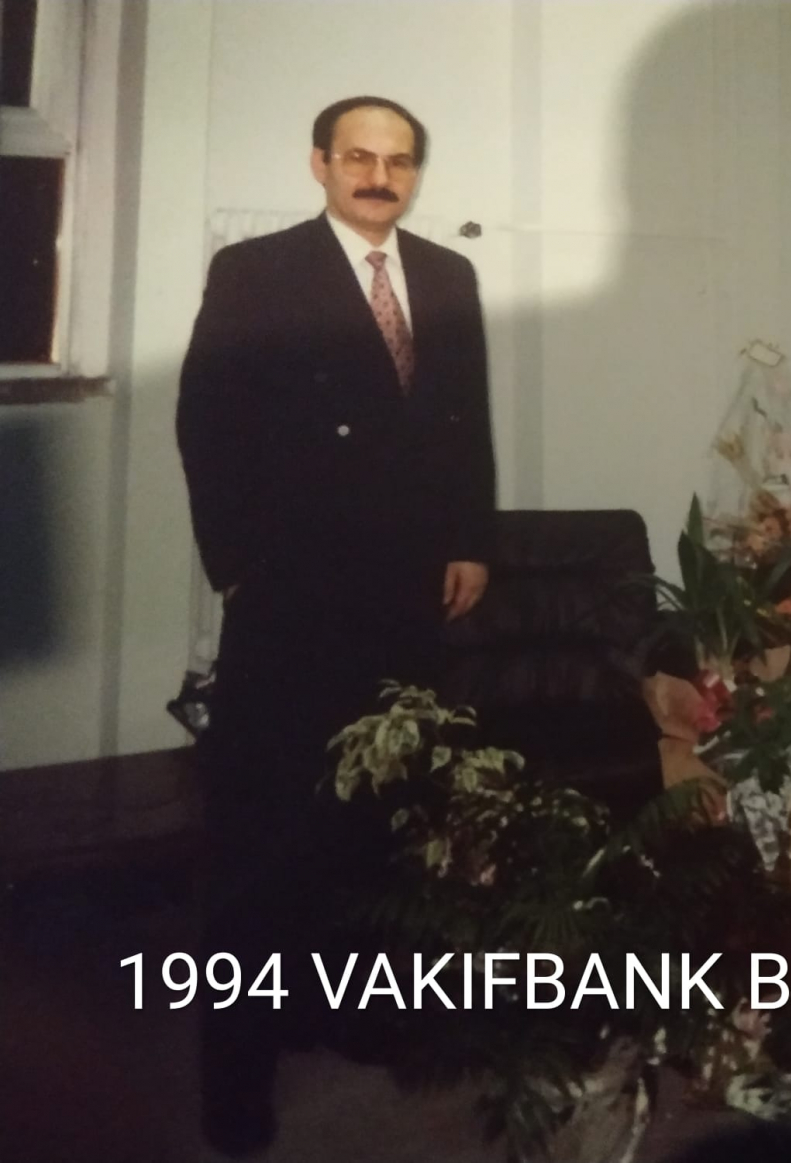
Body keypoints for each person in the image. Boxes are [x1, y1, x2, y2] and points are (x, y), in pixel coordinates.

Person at [176, 95, 495, 1155]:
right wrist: (237, 566)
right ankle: (235, 1076)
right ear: (320, 163)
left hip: (406, 597)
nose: (378, 176)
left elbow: (464, 421)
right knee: (263, 835)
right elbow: (205, 420)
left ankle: (349, 1012)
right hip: (292, 596)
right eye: (359, 156)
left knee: (378, 820)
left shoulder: (448, 276)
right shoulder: (258, 271)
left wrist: (470, 538)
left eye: (398, 161)